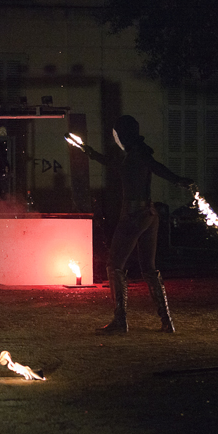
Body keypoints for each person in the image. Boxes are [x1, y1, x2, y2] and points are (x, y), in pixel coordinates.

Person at [75, 115, 193, 334]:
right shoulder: (137, 154)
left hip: (133, 216)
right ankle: (167, 321)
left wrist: (179, 180)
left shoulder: (135, 156)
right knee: (149, 268)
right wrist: (89, 151)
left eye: (117, 134)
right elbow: (144, 166)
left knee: (114, 265)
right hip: (149, 214)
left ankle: (120, 321)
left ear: (124, 134)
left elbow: (157, 169)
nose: (115, 138)